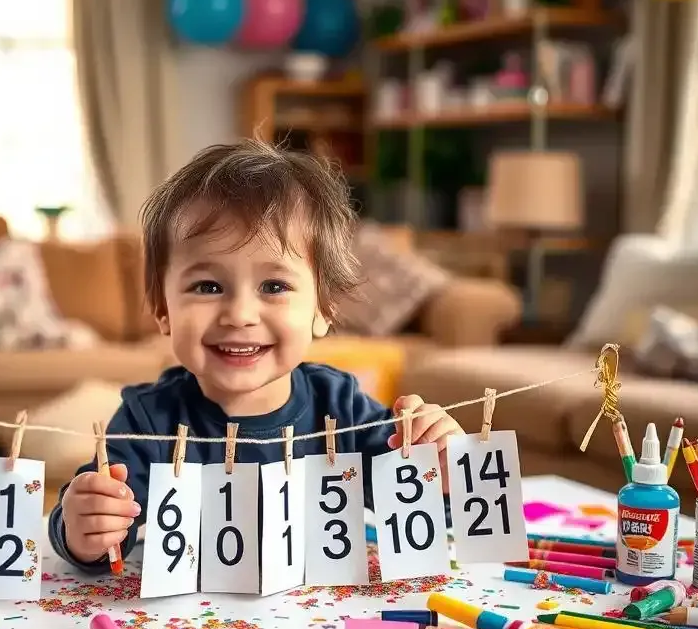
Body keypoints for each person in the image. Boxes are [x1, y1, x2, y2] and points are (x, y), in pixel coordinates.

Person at [48, 140, 464, 573]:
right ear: (162, 309)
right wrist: (84, 530)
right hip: (195, 625)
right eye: (208, 286)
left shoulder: (341, 407)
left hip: (322, 625)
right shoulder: (147, 420)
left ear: (323, 310)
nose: (241, 315)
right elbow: (91, 531)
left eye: (274, 286)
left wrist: (441, 470)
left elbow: (423, 516)